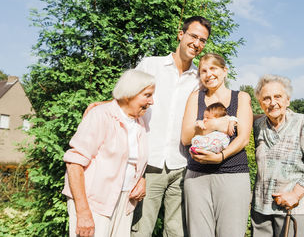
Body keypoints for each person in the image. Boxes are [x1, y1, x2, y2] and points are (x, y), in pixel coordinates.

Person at [130, 16, 212, 237]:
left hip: (182, 166)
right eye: (193, 36)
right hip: (150, 164)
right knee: (141, 230)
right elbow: (126, 100)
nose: (197, 43)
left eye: (202, 40)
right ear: (181, 34)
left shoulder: (200, 79)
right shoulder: (151, 65)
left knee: (176, 232)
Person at [62, 69, 155, 237]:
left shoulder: (140, 122)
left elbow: (131, 161)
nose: (152, 101)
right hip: (94, 203)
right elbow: (74, 163)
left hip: (124, 202)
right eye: (147, 95)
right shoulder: (101, 115)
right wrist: (83, 212)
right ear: (130, 93)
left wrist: (141, 179)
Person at [181, 53, 253, 237]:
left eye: (213, 69)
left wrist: (220, 156)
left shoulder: (241, 97)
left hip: (232, 175)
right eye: (203, 71)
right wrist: (214, 124)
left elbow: (243, 138)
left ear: (224, 71)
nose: (208, 74)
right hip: (196, 177)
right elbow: (185, 137)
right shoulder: (195, 97)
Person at [251, 74, 304, 237]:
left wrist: (296, 193)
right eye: (266, 98)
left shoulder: (301, 122)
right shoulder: (258, 125)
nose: (272, 103)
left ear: (287, 100)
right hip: (261, 212)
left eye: (278, 96)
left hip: (295, 210)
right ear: (260, 103)